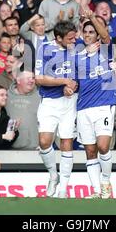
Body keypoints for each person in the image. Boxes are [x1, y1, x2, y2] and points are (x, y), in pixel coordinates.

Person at [72, 11, 116, 199]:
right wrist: (70, 88)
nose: (88, 35)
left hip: (104, 105)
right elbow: (75, 83)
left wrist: (92, 17)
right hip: (84, 107)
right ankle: (95, 190)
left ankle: (105, 182)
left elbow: (106, 36)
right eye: (85, 32)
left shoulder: (107, 50)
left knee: (103, 146)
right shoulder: (77, 56)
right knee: (90, 151)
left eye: (91, 32)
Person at [35, 21, 78, 198]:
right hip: (50, 102)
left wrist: (72, 87)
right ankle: (54, 175)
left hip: (70, 102)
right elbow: (39, 78)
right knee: (44, 141)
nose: (74, 41)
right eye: (70, 38)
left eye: (75, 37)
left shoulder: (78, 48)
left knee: (66, 143)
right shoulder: (44, 49)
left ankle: (63, 188)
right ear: (58, 38)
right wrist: (63, 82)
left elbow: (80, 76)